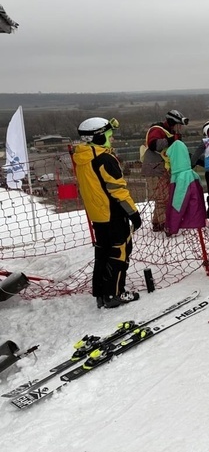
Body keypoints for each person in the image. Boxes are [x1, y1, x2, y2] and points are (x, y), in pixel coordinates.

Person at [73, 117, 141, 309]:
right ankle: (114, 293)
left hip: (98, 215)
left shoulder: (83, 156)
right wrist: (133, 213)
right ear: (100, 136)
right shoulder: (105, 159)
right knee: (120, 252)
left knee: (102, 253)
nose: (113, 140)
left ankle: (101, 293)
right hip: (112, 213)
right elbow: (117, 189)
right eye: (110, 136)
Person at [141, 109, 188, 232]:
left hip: (160, 168)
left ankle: (157, 223)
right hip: (154, 168)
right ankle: (165, 224)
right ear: (173, 122)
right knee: (163, 198)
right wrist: (173, 139)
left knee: (162, 196)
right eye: (179, 125)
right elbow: (154, 145)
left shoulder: (168, 131)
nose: (180, 128)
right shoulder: (157, 130)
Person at [165, 138, 207, 236]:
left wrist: (172, 227)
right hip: (195, 220)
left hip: (188, 224)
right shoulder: (191, 173)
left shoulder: (182, 177)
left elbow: (178, 204)